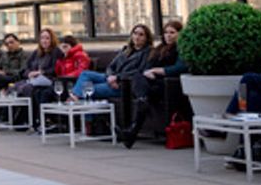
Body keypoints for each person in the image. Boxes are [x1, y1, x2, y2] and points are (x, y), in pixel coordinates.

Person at [121, 20, 186, 148]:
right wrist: (148, 71)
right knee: (138, 77)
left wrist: (158, 71)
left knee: (142, 91)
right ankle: (133, 129)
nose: (168, 35)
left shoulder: (181, 48)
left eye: (172, 33)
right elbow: (148, 66)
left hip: (167, 85)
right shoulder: (159, 48)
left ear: (179, 34)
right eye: (166, 32)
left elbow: (180, 67)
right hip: (151, 84)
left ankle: (131, 132)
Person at [70, 23, 153, 100]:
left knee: (88, 89)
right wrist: (110, 77)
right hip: (110, 78)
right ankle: (76, 96)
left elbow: (139, 72)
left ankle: (75, 98)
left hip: (124, 84)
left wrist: (117, 78)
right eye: (135, 33)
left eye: (141, 35)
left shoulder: (148, 52)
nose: (137, 37)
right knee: (85, 74)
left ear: (147, 38)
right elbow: (111, 66)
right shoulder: (126, 50)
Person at [14, 28, 62, 130]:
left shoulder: (56, 51)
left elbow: (56, 69)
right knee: (19, 86)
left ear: (52, 40)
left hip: (49, 80)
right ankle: (26, 119)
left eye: (47, 38)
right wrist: (30, 73)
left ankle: (30, 120)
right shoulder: (37, 52)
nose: (44, 41)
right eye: (42, 38)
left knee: (29, 88)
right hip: (35, 79)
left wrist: (41, 72)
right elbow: (26, 68)